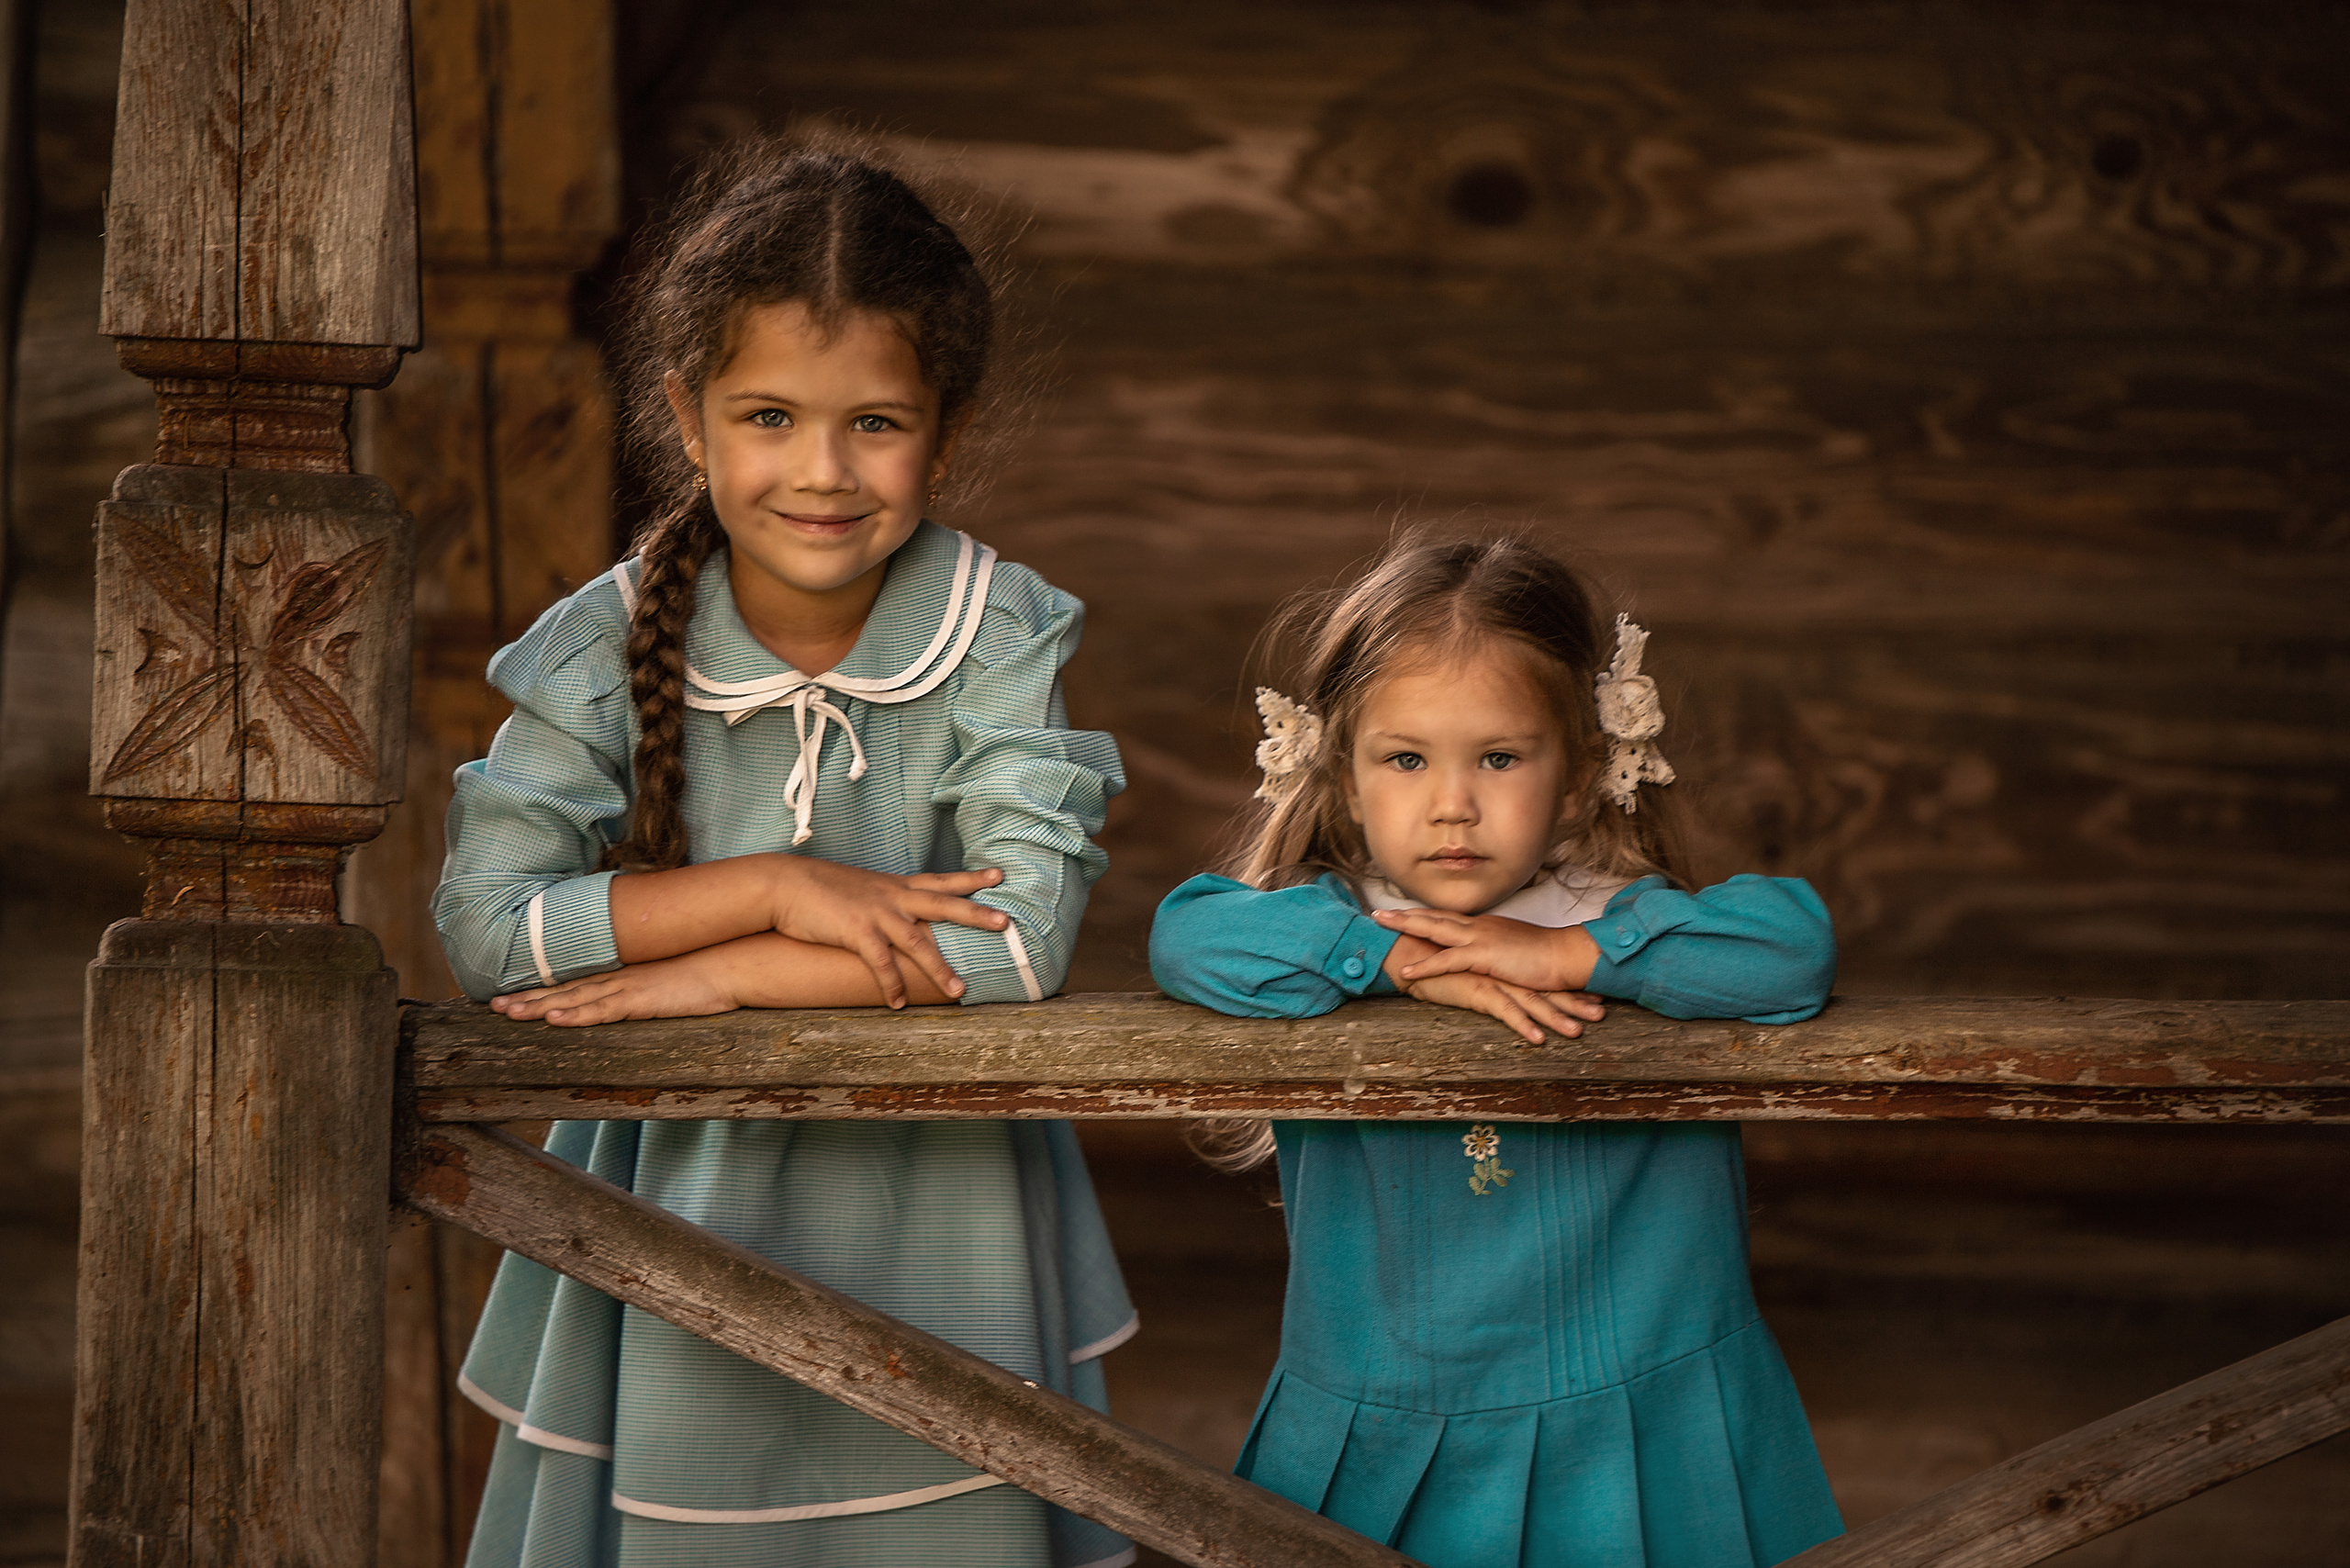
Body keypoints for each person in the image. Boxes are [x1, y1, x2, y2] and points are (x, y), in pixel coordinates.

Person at [431, 144, 1136, 1568]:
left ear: (948, 429)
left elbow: (1016, 947)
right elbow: (490, 928)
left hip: (946, 1232)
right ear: (688, 419)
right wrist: (775, 882)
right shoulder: (599, 640)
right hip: (669, 1219)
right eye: (768, 414)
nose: (822, 472)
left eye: (874, 421)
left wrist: (728, 969)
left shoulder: (999, 634)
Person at [1149, 534, 1845, 1567]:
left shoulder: (1626, 918)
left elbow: (1792, 951)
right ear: (1342, 781)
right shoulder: (1324, 923)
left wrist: (1570, 954)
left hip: (1635, 1416)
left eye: (1500, 757)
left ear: (1578, 780)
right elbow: (1185, 934)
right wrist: (1393, 960)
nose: (1452, 803)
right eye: (1406, 758)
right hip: (1383, 1419)